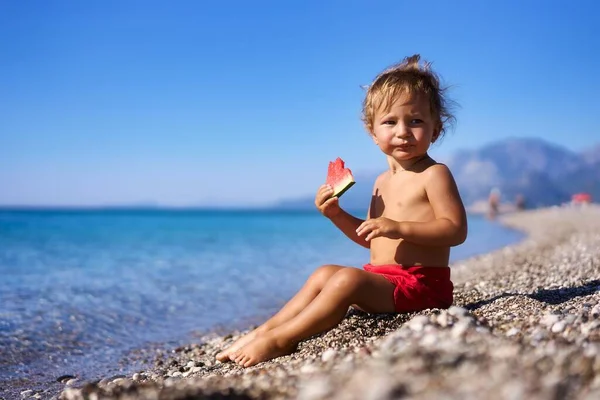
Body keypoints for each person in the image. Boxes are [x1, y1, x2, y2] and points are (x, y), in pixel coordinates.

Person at [216, 54, 468, 368]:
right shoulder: (381, 182)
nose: (403, 131)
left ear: (435, 130)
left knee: (348, 279)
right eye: (390, 122)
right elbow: (373, 240)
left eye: (415, 121)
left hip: (422, 288)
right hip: (385, 281)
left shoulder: (434, 174)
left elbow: (455, 230)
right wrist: (337, 215)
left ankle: (282, 340)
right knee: (324, 273)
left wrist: (398, 227)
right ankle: (265, 329)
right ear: (373, 133)